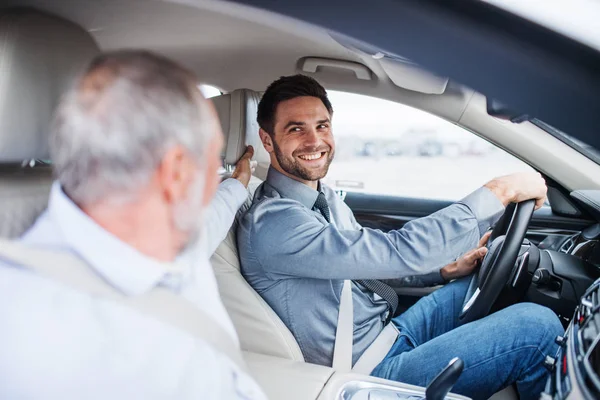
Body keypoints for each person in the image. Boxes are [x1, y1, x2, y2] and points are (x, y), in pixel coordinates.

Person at [237, 74, 564, 400]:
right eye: (296, 129)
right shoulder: (275, 224)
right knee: (537, 327)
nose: (314, 141)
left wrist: (443, 271)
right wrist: (500, 191)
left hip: (387, 333)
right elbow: (395, 251)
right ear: (267, 141)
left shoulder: (323, 198)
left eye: (322, 126)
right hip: (364, 371)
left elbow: (368, 262)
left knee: (495, 286)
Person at [0, 51, 265, 399]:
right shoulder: (35, 348)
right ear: (176, 173)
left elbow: (210, 219)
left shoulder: (170, 240)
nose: (212, 181)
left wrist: (237, 183)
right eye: (212, 161)